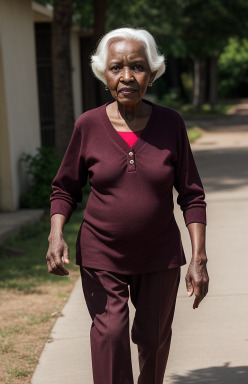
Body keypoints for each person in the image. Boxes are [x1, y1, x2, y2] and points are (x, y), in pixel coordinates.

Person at [47, 27, 209, 384]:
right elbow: (64, 189)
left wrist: (198, 258)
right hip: (102, 254)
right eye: (116, 67)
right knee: (110, 337)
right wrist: (55, 235)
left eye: (136, 67)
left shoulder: (171, 124)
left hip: (159, 256)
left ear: (152, 74)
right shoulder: (88, 125)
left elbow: (192, 195)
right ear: (104, 75)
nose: (126, 76)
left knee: (153, 339)